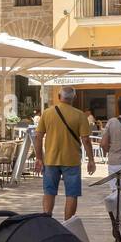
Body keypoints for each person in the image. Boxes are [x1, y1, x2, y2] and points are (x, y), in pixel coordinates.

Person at [34, 86, 95, 221]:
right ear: (74, 98)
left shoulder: (47, 113)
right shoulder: (80, 115)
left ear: (59, 97)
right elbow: (86, 140)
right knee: (71, 194)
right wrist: (91, 160)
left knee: (49, 191)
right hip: (72, 160)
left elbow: (38, 136)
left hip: (50, 159)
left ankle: (47, 220)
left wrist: (39, 157)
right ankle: (68, 223)